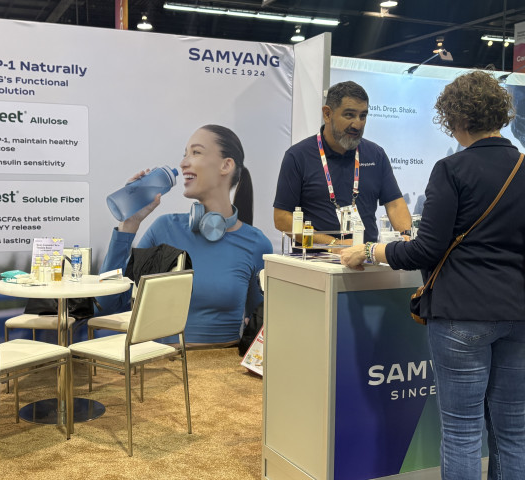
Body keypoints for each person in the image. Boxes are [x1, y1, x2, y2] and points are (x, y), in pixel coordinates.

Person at [340, 71, 525, 480]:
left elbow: (426, 250)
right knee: (514, 433)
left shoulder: (452, 169)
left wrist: (372, 250)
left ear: (456, 118)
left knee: (462, 432)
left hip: (461, 314)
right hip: (519, 314)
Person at [99, 124, 272, 346]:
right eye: (184, 154)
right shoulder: (164, 229)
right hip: (163, 363)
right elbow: (107, 304)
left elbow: (260, 327)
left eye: (196, 152)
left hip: (225, 363)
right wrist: (129, 224)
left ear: (226, 165)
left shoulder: (257, 244)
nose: (183, 163)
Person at [273, 81, 411, 245]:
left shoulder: (376, 155)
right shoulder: (298, 156)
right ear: (327, 114)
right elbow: (282, 218)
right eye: (349, 115)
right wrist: (332, 244)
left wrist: (406, 236)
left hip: (365, 256)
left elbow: (395, 204)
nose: (357, 124)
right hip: (315, 257)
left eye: (363, 116)